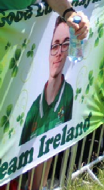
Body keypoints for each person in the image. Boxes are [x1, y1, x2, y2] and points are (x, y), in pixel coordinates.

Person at [19, 17, 75, 146]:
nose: (59, 52)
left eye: (65, 44)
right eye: (55, 45)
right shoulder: (32, 110)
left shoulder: (68, 92)